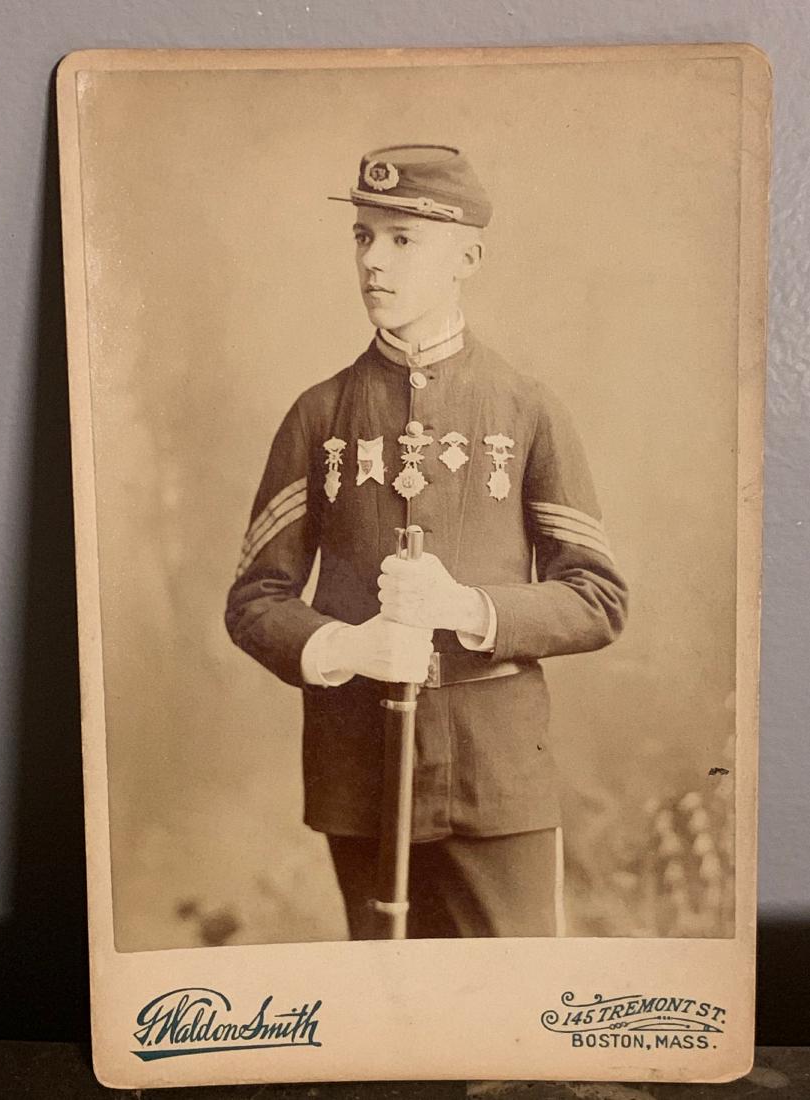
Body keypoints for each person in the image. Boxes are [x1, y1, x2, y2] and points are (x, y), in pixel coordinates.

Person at [225, 144, 628, 940]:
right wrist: (346, 645)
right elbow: (255, 601)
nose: (373, 260)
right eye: (363, 236)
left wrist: (465, 606)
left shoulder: (525, 409)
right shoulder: (319, 414)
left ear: (466, 258)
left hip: (497, 772)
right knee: (387, 995)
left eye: (402, 239)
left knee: (512, 999)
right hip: (361, 770)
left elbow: (597, 599)